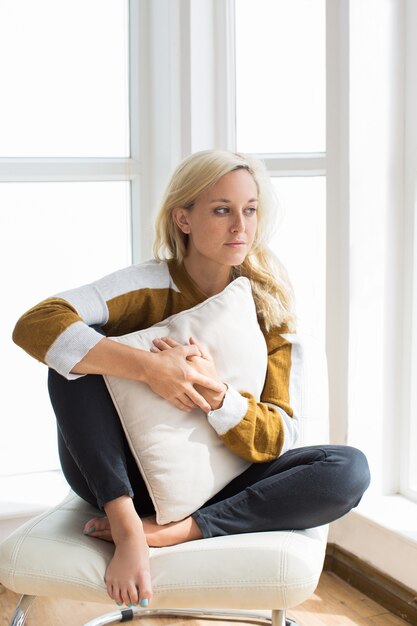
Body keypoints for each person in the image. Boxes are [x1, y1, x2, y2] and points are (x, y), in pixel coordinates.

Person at [12, 149, 370, 610]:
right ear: (183, 218)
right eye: (222, 210)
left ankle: (171, 532)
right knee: (75, 355)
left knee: (348, 469)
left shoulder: (272, 309)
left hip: (227, 482)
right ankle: (127, 528)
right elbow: (36, 323)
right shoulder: (146, 285)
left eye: (250, 209)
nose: (240, 225)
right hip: (124, 480)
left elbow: (280, 437)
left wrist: (216, 395)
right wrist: (153, 369)